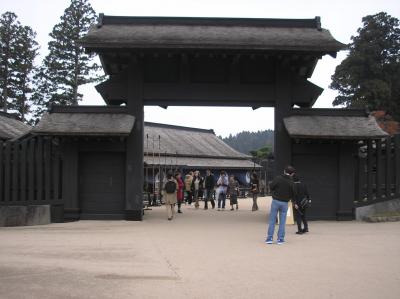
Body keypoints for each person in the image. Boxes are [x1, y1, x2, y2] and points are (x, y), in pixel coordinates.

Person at [265, 165, 295, 245]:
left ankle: (269, 238)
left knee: (272, 220)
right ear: (292, 174)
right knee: (282, 222)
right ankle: (280, 239)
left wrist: (274, 192)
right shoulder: (291, 181)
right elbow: (293, 193)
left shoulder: (278, 178)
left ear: (284, 171)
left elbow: (271, 186)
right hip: (285, 202)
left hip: (275, 201)